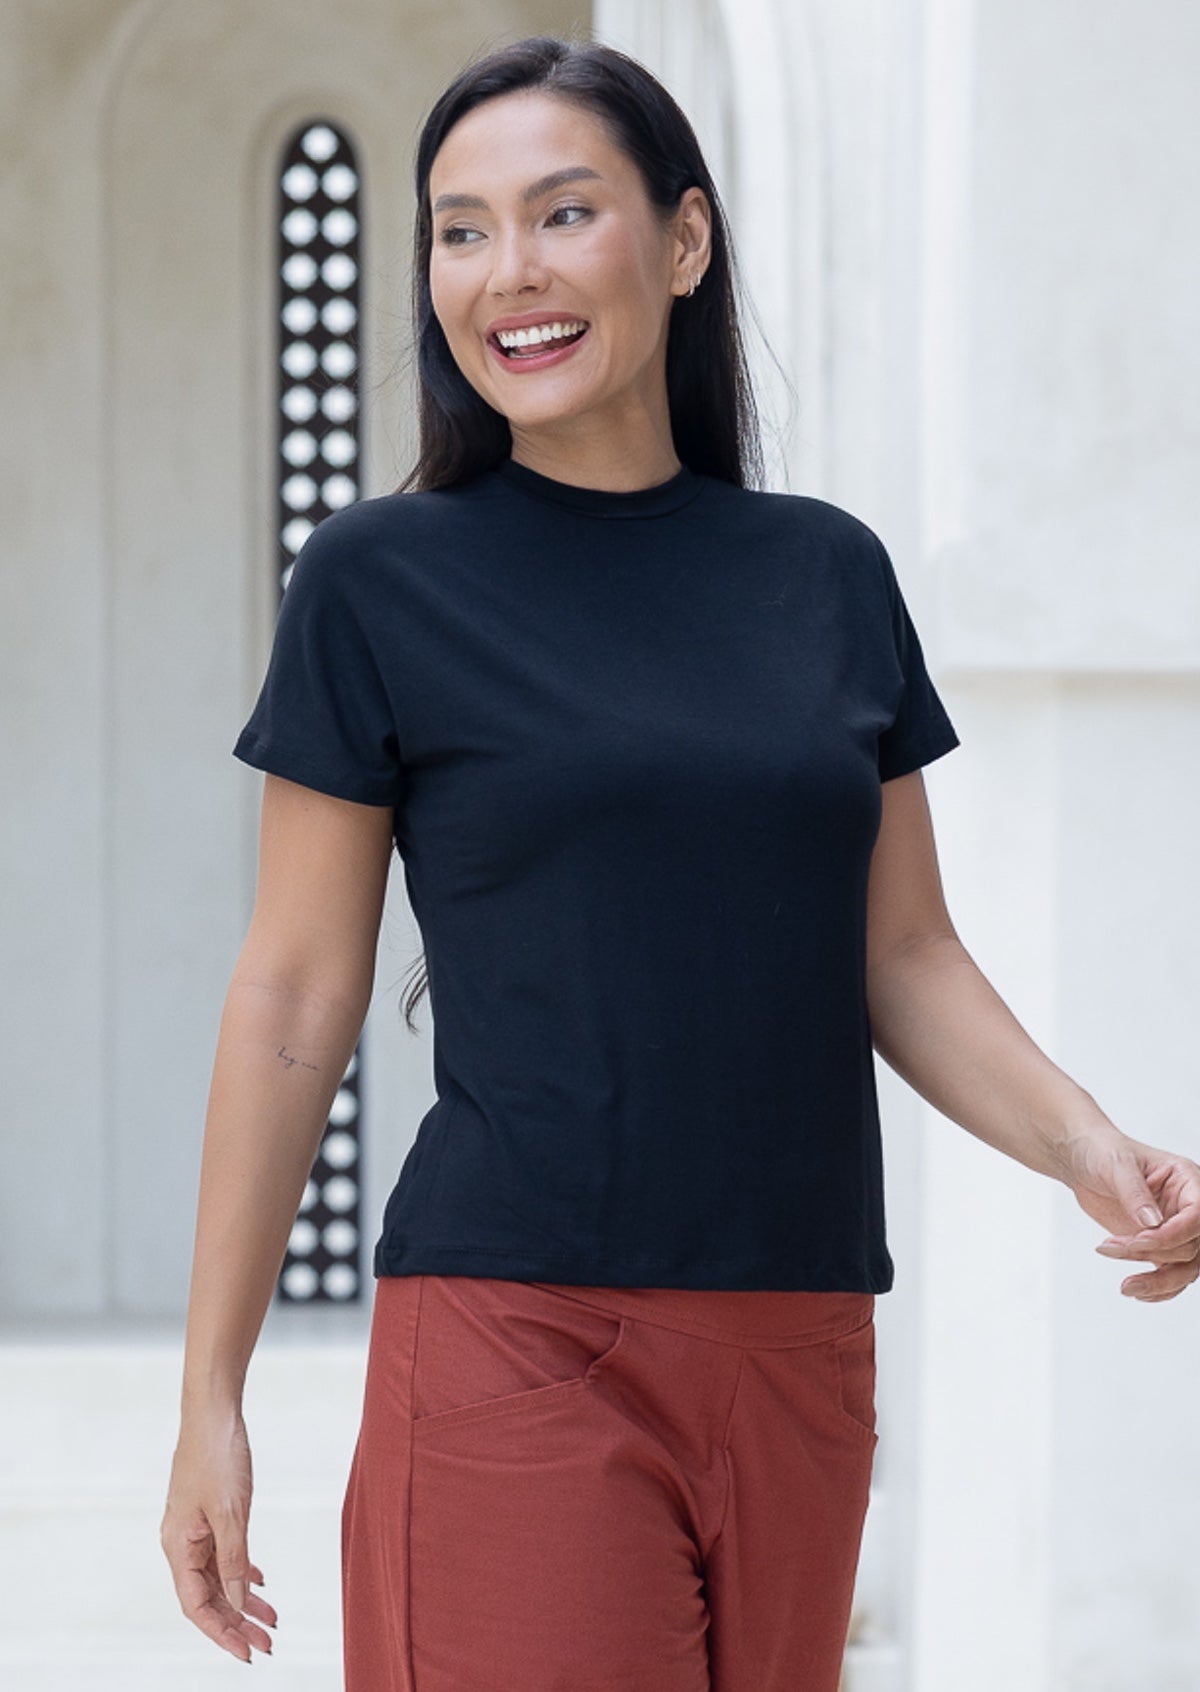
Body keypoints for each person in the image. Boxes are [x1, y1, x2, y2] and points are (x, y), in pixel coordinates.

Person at [160, 31, 1200, 1691]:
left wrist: (1089, 1144)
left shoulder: (825, 576)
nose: (509, 274)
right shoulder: (377, 583)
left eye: (563, 213)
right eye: (461, 228)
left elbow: (906, 954)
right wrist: (211, 1389)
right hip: (517, 1332)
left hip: (800, 1340)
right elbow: (295, 990)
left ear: (685, 241)